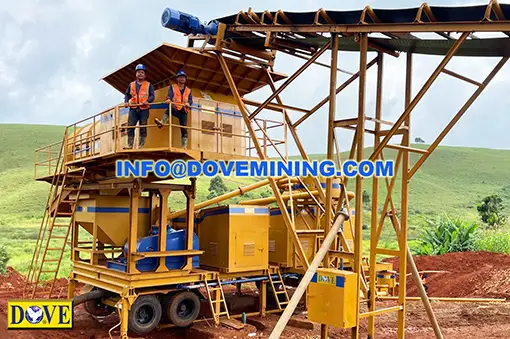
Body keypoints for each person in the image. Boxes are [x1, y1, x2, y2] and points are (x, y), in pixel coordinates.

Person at [155, 70, 192, 148]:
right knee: (169, 107)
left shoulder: (188, 90)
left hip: (183, 111)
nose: (182, 79)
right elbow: (170, 95)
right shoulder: (173, 87)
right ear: (177, 79)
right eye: (180, 77)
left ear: (185, 79)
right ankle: (162, 122)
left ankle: (184, 146)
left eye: (183, 77)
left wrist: (189, 103)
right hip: (175, 108)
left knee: (184, 128)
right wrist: (168, 99)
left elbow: (190, 100)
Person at [124, 64, 155, 149]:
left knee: (143, 127)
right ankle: (130, 145)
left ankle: (141, 146)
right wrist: (126, 102)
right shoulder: (131, 85)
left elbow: (152, 96)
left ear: (145, 75)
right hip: (133, 109)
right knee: (130, 127)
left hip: (144, 109)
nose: (140, 74)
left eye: (142, 72)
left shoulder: (149, 85)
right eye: (138, 72)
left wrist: (147, 101)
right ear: (136, 74)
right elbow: (127, 94)